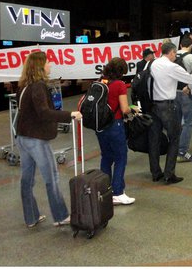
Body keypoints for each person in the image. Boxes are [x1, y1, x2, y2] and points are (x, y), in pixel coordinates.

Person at [15, 51, 82, 228]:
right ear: (40, 66)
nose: (50, 64)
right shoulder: (38, 86)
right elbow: (43, 112)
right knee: (51, 177)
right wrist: (70, 115)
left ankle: (31, 217)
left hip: (22, 137)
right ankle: (60, 216)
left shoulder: (24, 86)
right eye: (47, 61)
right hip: (36, 139)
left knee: (27, 179)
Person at [148, 42, 192, 184]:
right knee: (174, 138)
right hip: (167, 106)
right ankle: (169, 174)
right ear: (171, 53)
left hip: (153, 106)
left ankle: (156, 172)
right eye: (175, 54)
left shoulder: (153, 63)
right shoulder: (172, 66)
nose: (175, 56)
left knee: (154, 140)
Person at [96, 58, 136, 205]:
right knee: (121, 157)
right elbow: (124, 109)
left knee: (106, 157)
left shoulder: (101, 81)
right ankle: (118, 192)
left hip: (100, 125)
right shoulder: (119, 85)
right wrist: (133, 110)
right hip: (115, 124)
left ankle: (105, 190)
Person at [175, 35, 192, 163]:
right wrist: (189, 86)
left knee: (176, 122)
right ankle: (182, 151)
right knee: (188, 122)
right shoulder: (191, 57)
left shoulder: (173, 56)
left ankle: (174, 149)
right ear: (191, 46)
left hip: (173, 93)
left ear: (180, 45)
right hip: (186, 93)